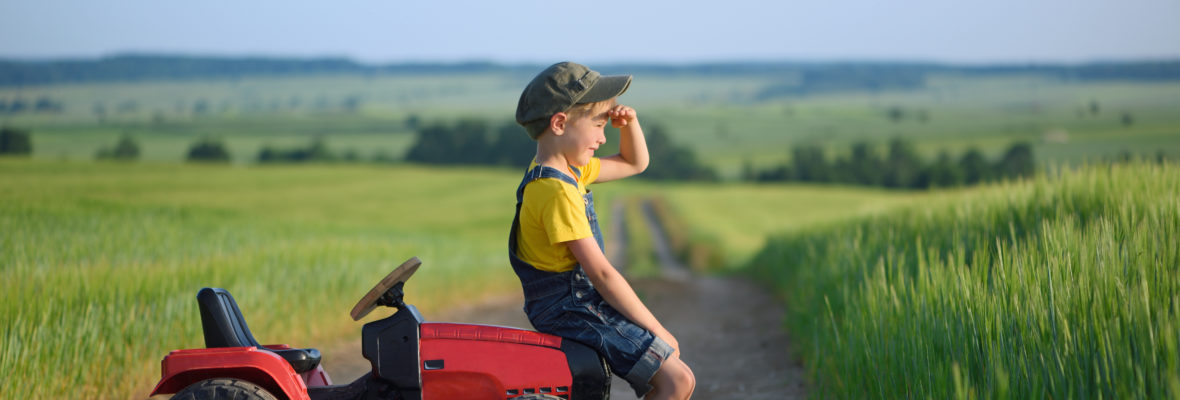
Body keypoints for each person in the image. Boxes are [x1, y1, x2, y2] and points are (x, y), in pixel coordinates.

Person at [509, 61, 696, 399]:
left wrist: (631, 124)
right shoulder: (556, 190)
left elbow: (633, 162)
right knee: (677, 381)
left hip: (576, 301)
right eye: (598, 124)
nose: (602, 136)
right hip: (569, 306)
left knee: (680, 378)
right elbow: (602, 275)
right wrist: (657, 331)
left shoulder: (567, 171)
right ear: (560, 123)